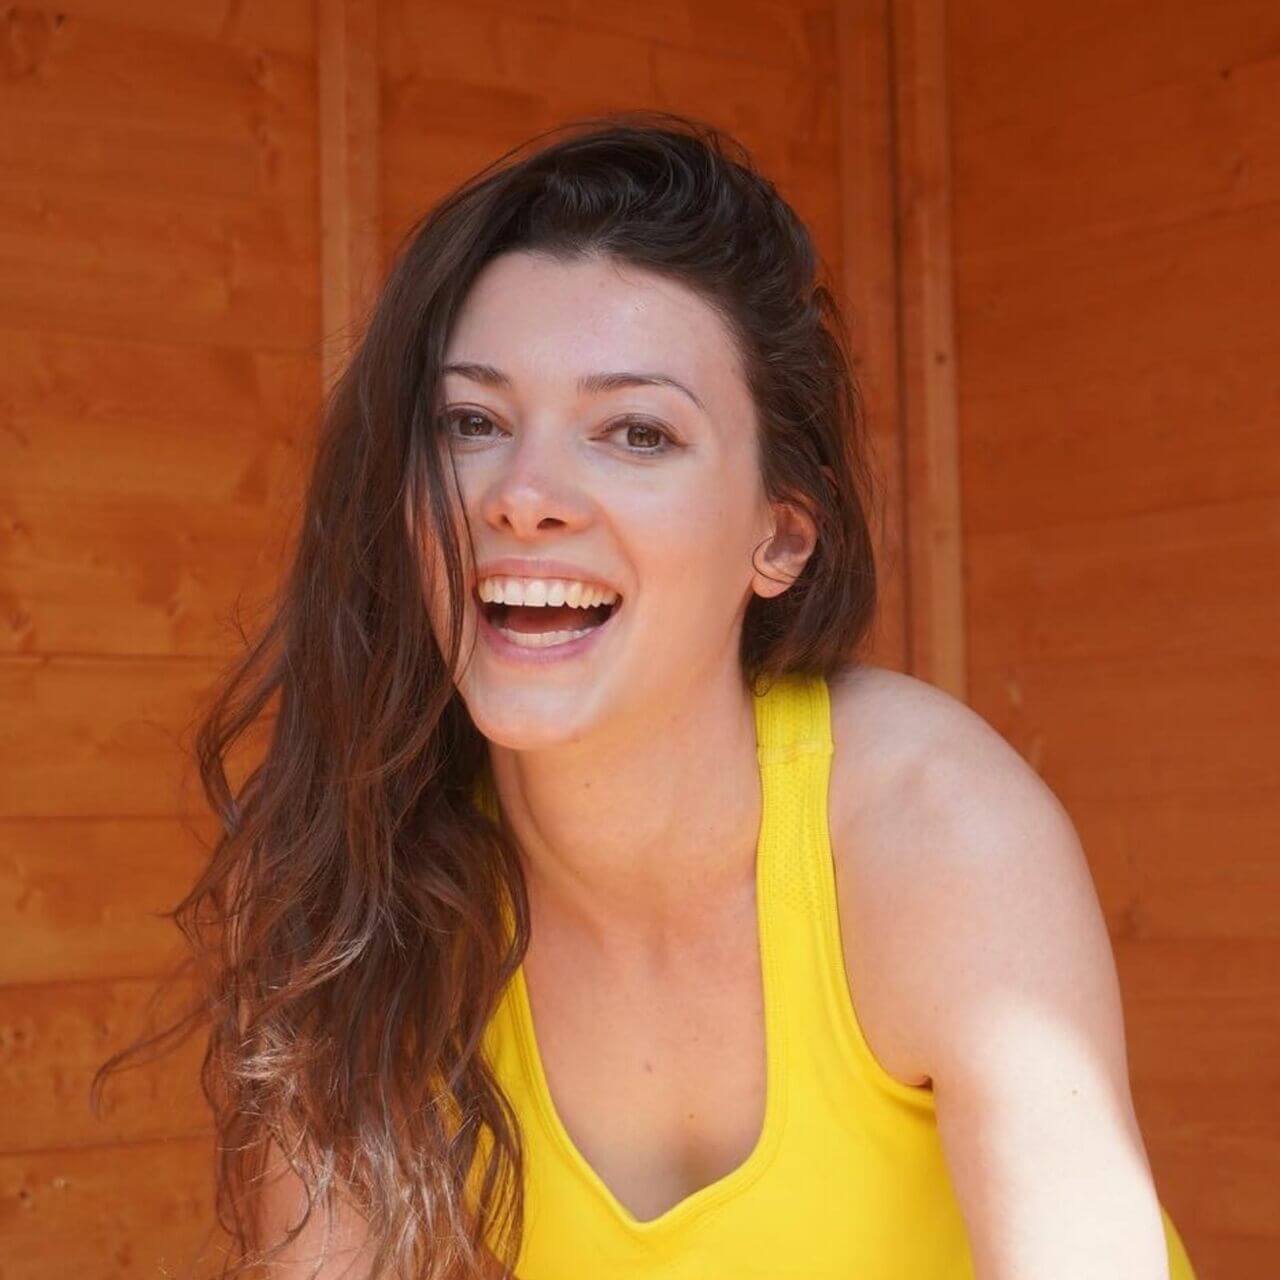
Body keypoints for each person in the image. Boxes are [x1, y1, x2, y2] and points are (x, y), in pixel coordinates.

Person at [95, 111, 1197, 1280]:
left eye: (634, 431)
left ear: (779, 536)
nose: (523, 493)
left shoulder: (939, 837)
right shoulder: (368, 880)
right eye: (471, 422)